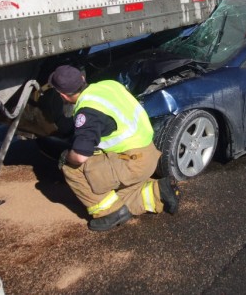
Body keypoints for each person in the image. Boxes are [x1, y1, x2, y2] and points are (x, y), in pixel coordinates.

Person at [47, 64, 180, 231]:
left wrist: (67, 156)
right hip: (149, 153)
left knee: (71, 167)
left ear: (63, 96)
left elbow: (80, 156)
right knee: (118, 197)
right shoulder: (109, 85)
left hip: (133, 162)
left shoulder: (87, 111)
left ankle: (109, 214)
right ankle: (159, 192)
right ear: (82, 78)